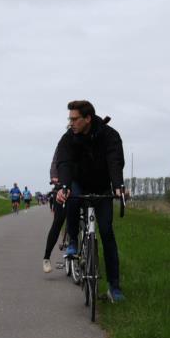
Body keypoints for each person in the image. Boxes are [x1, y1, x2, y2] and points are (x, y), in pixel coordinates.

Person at [55, 100, 126, 302]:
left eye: (74, 119)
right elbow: (64, 163)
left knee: (106, 233)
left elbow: (115, 161)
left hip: (102, 186)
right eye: (69, 119)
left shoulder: (109, 135)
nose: (71, 123)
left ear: (87, 118)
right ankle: (74, 242)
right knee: (71, 198)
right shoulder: (69, 138)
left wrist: (118, 185)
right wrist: (64, 186)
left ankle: (114, 288)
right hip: (78, 183)